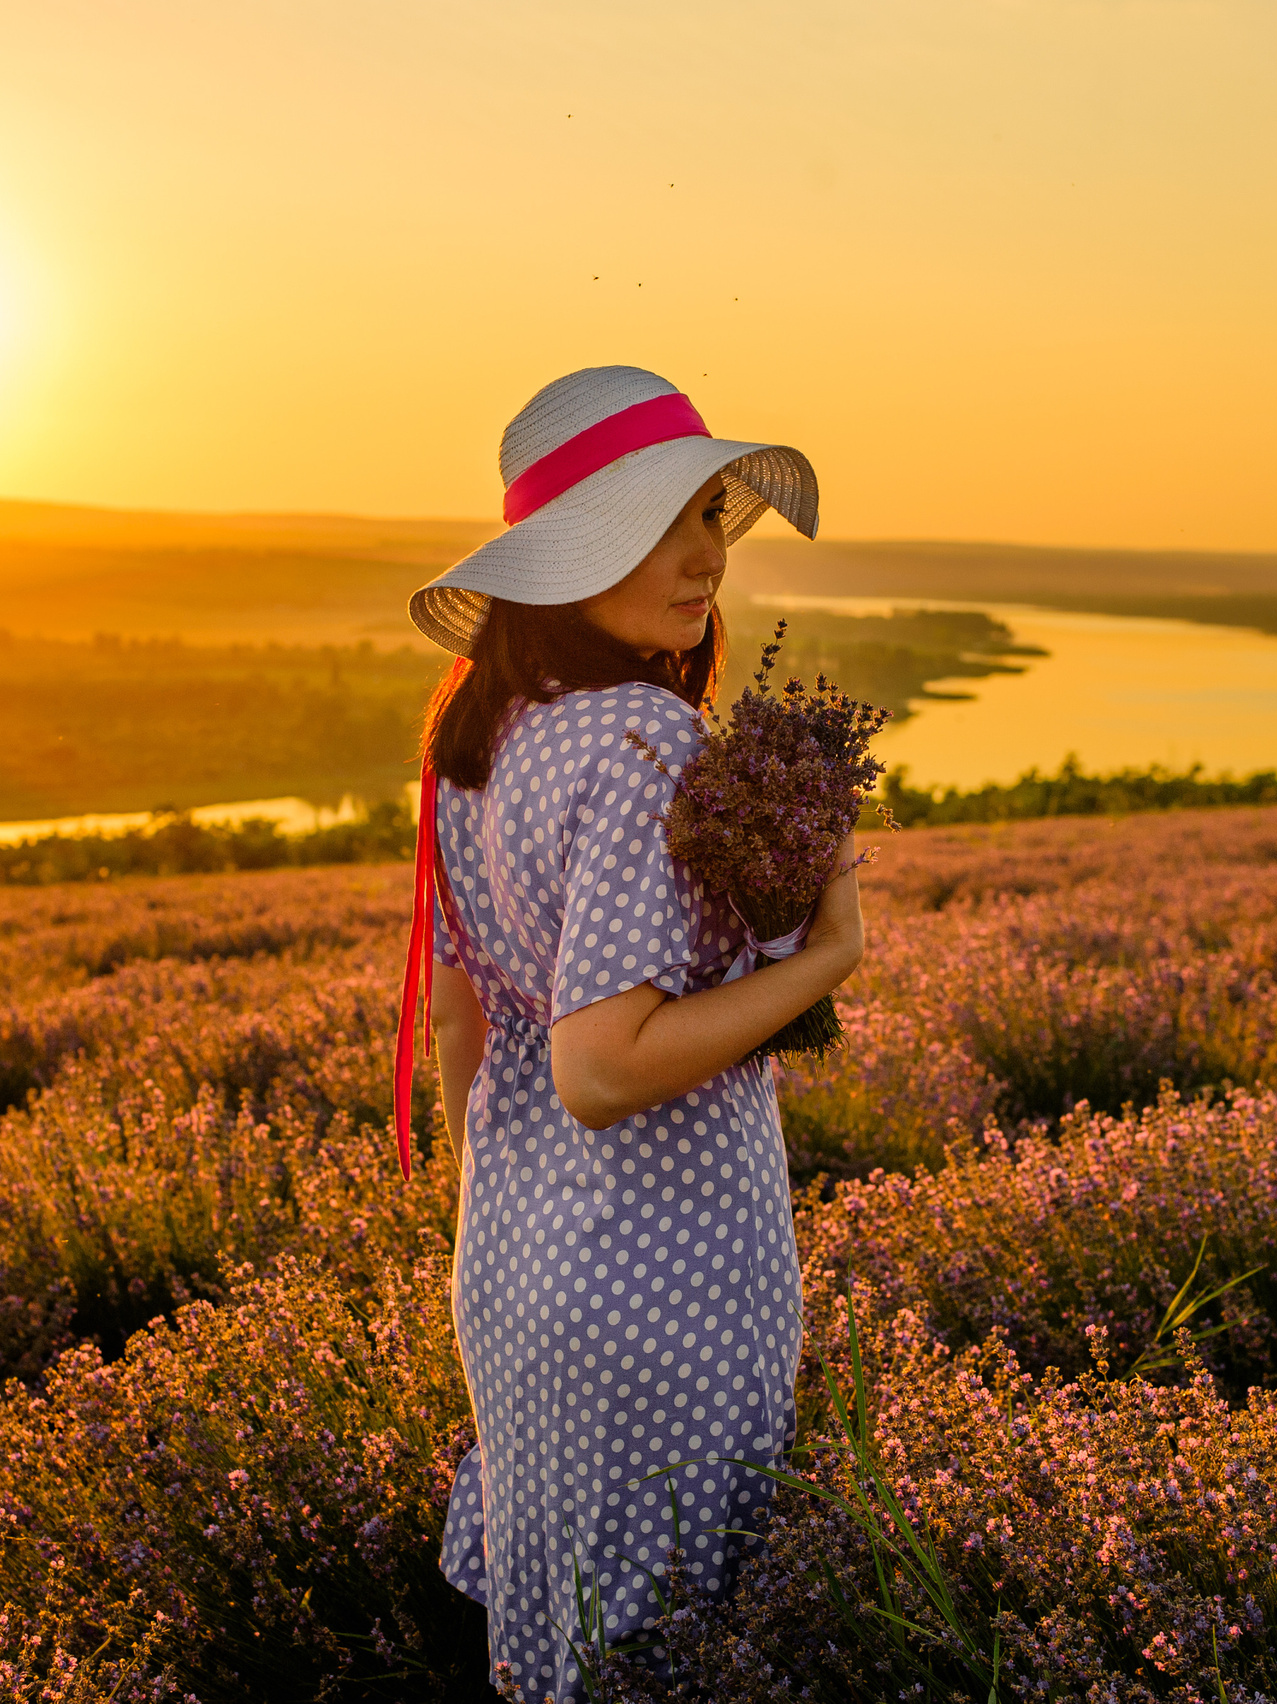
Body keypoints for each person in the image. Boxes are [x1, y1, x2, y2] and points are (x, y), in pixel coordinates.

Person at [396, 366, 866, 1701]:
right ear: (563, 562)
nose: (702, 554)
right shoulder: (639, 739)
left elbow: (461, 1017)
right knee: (677, 1653)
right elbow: (602, 1068)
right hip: (666, 1278)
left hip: (520, 1273)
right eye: (654, 527)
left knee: (563, 1647)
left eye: (710, 514)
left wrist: (502, 1229)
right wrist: (827, 953)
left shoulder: (476, 740)